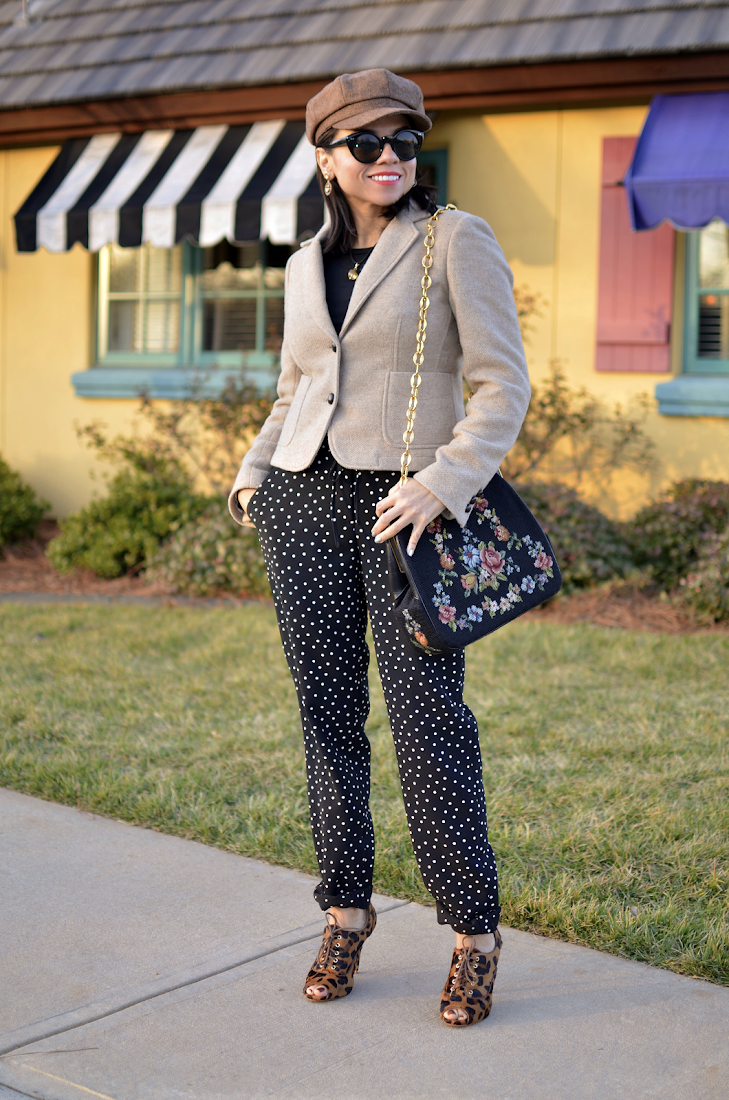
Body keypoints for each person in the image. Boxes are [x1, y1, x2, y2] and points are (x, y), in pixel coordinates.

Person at [229, 68, 530, 1027]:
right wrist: (253, 469)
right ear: (326, 156)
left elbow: (500, 386)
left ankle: (472, 934)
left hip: (410, 511)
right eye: (367, 144)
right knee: (326, 716)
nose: (391, 158)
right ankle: (345, 912)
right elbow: (293, 388)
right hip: (303, 501)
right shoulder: (302, 263)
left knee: (429, 721)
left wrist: (442, 483)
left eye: (405, 142)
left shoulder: (455, 240)